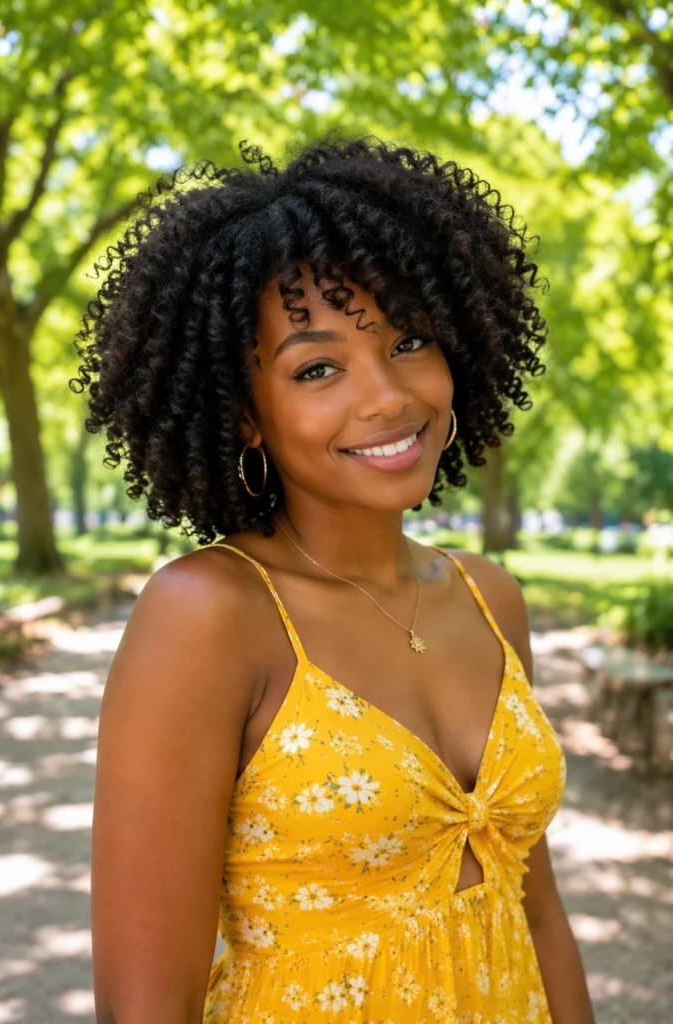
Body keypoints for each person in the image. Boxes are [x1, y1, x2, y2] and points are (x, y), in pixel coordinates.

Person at [75, 132, 594, 1023]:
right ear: (244, 415)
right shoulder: (209, 614)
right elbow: (142, 1005)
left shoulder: (488, 596)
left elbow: (535, 910)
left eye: (409, 341)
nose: (387, 397)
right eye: (317, 367)